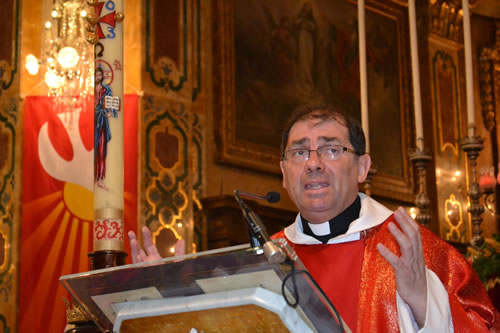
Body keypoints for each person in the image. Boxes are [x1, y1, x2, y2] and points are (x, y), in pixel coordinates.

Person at [129, 104, 499, 332]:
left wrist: (423, 301)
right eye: (300, 152)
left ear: (362, 167)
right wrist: (168, 301)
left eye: (331, 149)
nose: (314, 163)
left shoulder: (411, 247)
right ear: (284, 173)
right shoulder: (266, 260)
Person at [94, 66, 117, 190]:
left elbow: (112, 105)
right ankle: (91, 177)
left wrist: (111, 113)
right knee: (92, 148)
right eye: (96, 75)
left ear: (102, 76)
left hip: (102, 120)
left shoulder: (106, 89)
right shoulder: (90, 89)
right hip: (91, 119)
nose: (98, 77)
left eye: (99, 75)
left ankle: (100, 179)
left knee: (102, 149)